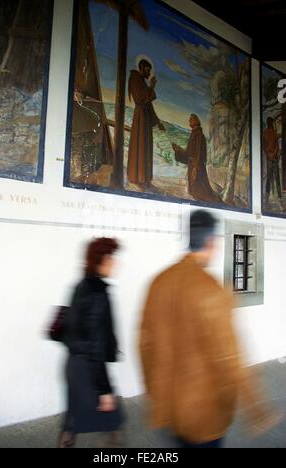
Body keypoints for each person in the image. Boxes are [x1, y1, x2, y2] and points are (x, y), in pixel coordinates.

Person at [139, 210, 278, 449]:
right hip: (204, 415)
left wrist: (157, 394)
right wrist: (257, 409)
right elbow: (230, 357)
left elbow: (144, 344)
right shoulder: (212, 289)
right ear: (212, 241)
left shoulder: (158, 282)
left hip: (170, 409)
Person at [58, 238, 125, 448]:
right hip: (89, 368)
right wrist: (104, 389)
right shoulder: (98, 293)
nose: (116, 263)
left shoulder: (80, 286)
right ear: (103, 260)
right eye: (112, 258)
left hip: (72, 365)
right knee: (112, 415)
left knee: (72, 419)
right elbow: (95, 345)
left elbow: (74, 330)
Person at [127, 58, 165, 187]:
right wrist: (152, 86)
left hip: (146, 118)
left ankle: (143, 177)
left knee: (145, 146)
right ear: (141, 68)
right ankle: (136, 177)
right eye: (147, 71)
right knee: (140, 145)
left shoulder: (142, 81)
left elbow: (148, 105)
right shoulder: (135, 78)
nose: (149, 74)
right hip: (140, 118)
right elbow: (140, 99)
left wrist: (158, 122)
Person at [172, 114, 222, 204]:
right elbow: (189, 152)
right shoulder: (194, 134)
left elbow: (198, 152)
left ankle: (204, 199)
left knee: (200, 186)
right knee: (196, 187)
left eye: (191, 120)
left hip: (197, 165)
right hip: (193, 163)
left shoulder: (199, 135)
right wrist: (178, 150)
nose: (189, 122)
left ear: (195, 122)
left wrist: (196, 166)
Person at [263, 117, 282, 207]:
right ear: (267, 123)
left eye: (270, 122)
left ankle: (280, 200)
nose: (269, 123)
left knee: (277, 179)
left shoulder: (274, 133)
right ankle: (266, 201)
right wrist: (269, 154)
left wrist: (274, 154)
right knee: (269, 179)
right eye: (269, 122)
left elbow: (277, 146)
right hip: (269, 159)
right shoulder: (265, 133)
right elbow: (264, 146)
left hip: (273, 159)